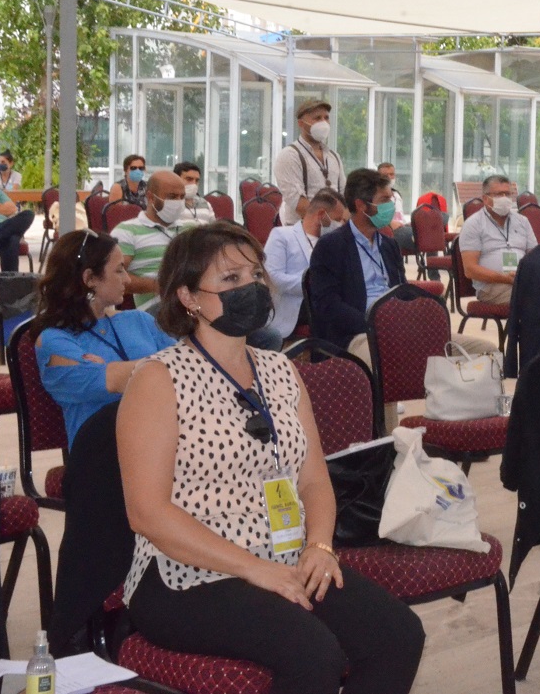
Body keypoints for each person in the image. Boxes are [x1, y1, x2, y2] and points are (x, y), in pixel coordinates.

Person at [116, 222, 425, 694]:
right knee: (313, 654)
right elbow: (147, 513)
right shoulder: (158, 379)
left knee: (397, 635)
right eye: (231, 279)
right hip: (188, 573)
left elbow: (314, 480)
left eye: (256, 275)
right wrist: (253, 568)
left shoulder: (281, 370)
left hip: (284, 555)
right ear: (188, 297)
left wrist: (319, 547)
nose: (253, 288)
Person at [311, 169, 496, 363]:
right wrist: (376, 323)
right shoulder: (331, 246)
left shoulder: (389, 245)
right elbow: (327, 305)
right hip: (357, 334)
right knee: (396, 357)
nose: (390, 206)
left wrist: (422, 311)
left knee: (487, 352)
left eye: (391, 199)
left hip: (400, 328)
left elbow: (402, 290)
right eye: (384, 200)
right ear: (361, 205)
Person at [31, 229, 175, 446]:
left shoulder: (139, 320)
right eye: (119, 270)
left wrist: (112, 368)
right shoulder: (53, 341)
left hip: (164, 441)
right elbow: (117, 380)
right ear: (90, 278)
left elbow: (189, 365)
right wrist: (167, 365)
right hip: (102, 452)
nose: (127, 279)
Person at [263, 189, 347, 338]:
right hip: (296, 304)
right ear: (321, 215)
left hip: (330, 300)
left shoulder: (336, 243)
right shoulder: (282, 236)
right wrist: (312, 285)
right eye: (338, 219)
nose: (341, 225)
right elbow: (272, 277)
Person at [112, 170, 193, 310]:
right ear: (150, 197)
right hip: (157, 308)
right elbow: (113, 276)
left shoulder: (192, 229)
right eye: (172, 197)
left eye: (182, 197)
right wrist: (163, 285)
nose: (178, 202)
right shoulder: (126, 231)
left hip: (197, 303)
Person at [459, 174, 540, 306]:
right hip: (491, 286)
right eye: (498, 194)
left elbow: (536, 257)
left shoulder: (522, 221)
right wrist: (505, 278)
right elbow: (470, 269)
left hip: (523, 281)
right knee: (533, 300)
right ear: (485, 199)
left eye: (507, 194)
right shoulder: (473, 224)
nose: (504, 198)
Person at [273, 99, 346, 227]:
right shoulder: (290, 155)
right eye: (317, 118)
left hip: (334, 228)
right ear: (301, 123)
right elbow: (297, 201)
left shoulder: (333, 156)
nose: (323, 123)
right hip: (301, 229)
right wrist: (330, 223)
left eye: (326, 118)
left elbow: (343, 193)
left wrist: (342, 223)